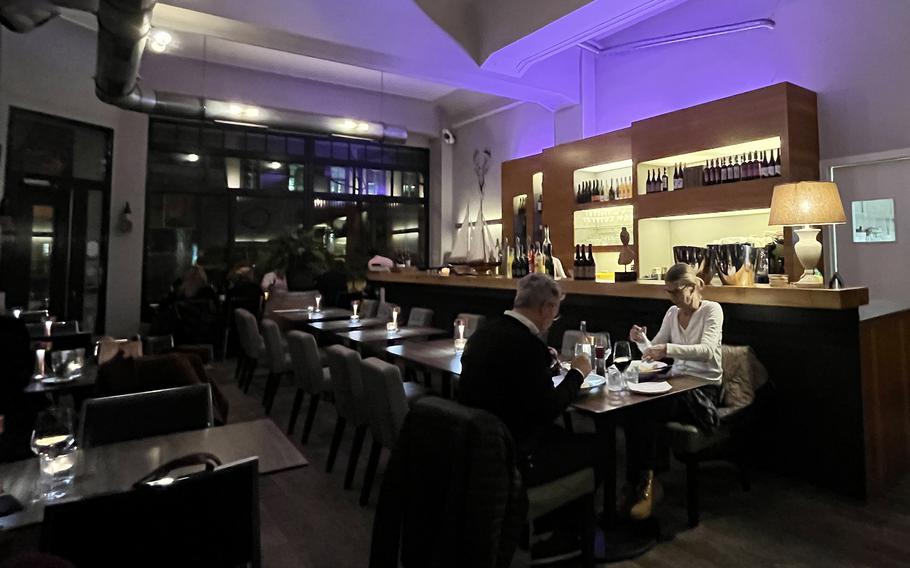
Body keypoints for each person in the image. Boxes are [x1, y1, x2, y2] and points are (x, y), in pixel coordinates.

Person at [458, 273, 595, 563]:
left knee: (563, 439)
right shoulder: (528, 347)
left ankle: (548, 527)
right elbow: (548, 409)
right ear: (545, 308)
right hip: (512, 453)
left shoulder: (484, 332)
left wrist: (543, 363)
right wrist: (578, 373)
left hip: (477, 444)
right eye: (554, 315)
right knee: (594, 449)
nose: (551, 321)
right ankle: (564, 540)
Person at [625, 262, 724, 520]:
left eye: (676, 291)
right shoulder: (672, 313)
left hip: (704, 387)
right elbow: (653, 349)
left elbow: (708, 351)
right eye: (668, 292)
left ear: (692, 287)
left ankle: (648, 484)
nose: (671, 297)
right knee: (631, 398)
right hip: (677, 381)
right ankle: (639, 481)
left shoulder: (712, 310)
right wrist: (641, 341)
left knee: (649, 405)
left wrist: (667, 350)